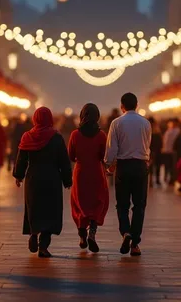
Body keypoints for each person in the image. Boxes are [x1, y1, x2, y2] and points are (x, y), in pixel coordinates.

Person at [13, 107, 72, 258]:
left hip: (33, 178)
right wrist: (67, 180)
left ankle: (33, 233)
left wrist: (19, 176)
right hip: (52, 178)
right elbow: (64, 161)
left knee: (34, 208)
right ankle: (43, 246)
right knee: (50, 212)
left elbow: (21, 159)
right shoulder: (56, 137)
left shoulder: (27, 136)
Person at [104, 93, 151, 256]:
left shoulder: (116, 123)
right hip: (140, 166)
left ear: (121, 106)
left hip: (123, 166)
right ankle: (135, 243)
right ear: (137, 105)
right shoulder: (145, 123)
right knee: (139, 205)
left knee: (122, 205)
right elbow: (147, 145)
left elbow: (111, 148)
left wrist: (108, 165)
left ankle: (126, 232)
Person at [68, 103, 109, 253]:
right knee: (97, 202)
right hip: (96, 172)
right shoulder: (101, 135)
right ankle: (92, 232)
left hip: (80, 173)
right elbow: (104, 156)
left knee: (79, 203)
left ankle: (82, 236)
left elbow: (71, 156)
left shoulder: (75, 135)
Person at [161, 119, 180, 184]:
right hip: (166, 151)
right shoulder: (169, 130)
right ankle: (166, 177)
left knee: (172, 166)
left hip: (172, 151)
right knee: (167, 165)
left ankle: (172, 179)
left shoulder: (177, 131)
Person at [148, 117, 163, 187]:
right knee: (157, 166)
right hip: (157, 151)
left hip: (150, 152)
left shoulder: (147, 131)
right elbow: (160, 143)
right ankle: (157, 180)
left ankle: (151, 181)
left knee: (150, 167)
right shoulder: (157, 132)